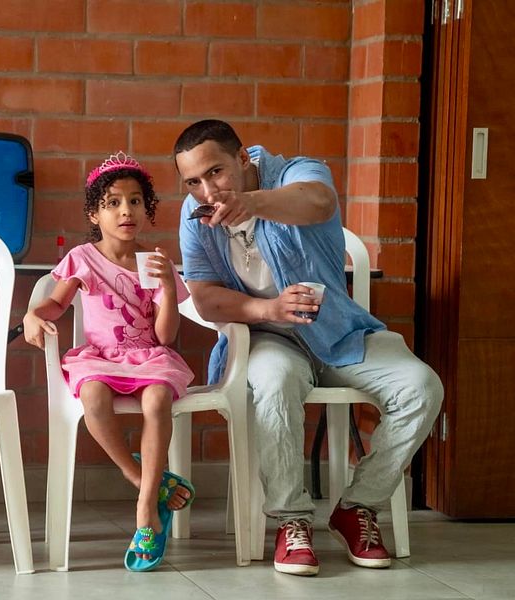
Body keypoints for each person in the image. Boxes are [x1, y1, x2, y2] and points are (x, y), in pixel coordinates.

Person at [174, 119, 443, 576]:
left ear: (243, 159)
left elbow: (319, 203)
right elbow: (203, 296)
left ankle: (358, 506)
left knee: (422, 386)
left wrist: (250, 203)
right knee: (275, 381)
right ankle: (291, 520)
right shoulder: (194, 215)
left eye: (216, 172)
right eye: (193, 181)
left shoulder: (299, 172)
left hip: (340, 333)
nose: (207, 190)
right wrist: (269, 310)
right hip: (268, 338)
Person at [23, 151, 195, 572]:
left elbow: (165, 335)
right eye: (113, 202)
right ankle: (141, 481)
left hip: (147, 355)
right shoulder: (82, 258)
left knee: (158, 402)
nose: (125, 211)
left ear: (147, 209)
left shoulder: (154, 263)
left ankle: (144, 510)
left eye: (135, 201)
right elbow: (53, 306)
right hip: (101, 358)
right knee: (93, 396)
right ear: (94, 213)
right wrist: (31, 315)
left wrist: (169, 289)